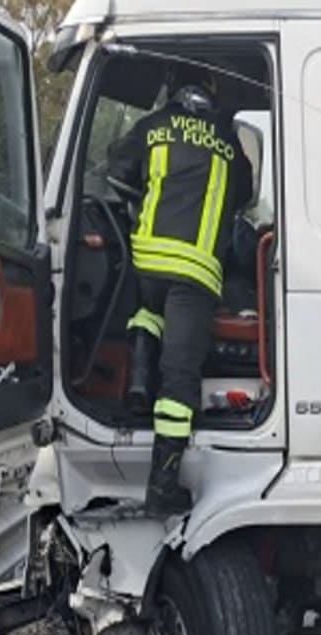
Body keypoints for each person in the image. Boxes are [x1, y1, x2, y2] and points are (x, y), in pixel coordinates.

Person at [109, 63, 253, 515]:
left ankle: (136, 382)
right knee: (180, 378)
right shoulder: (227, 142)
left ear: (173, 89)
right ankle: (162, 486)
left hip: (147, 261)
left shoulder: (153, 127)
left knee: (147, 311)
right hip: (194, 273)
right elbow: (245, 195)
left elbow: (117, 164)